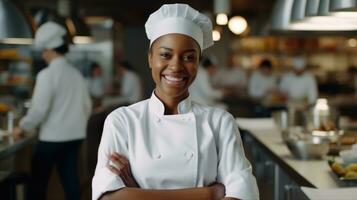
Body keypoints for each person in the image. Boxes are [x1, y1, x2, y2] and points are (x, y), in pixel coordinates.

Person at [92, 4, 259, 200]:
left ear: (197, 63)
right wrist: (207, 194)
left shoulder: (220, 122)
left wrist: (138, 193)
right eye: (165, 55)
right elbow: (107, 198)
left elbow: (243, 194)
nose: (176, 66)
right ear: (150, 59)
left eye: (189, 57)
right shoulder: (122, 121)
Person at [13, 22, 92, 200]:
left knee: (38, 183)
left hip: (52, 138)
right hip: (74, 137)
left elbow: (39, 109)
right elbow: (87, 105)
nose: (43, 55)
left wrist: (23, 127)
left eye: (43, 51)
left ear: (50, 50)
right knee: (70, 179)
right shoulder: (76, 74)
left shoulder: (46, 75)